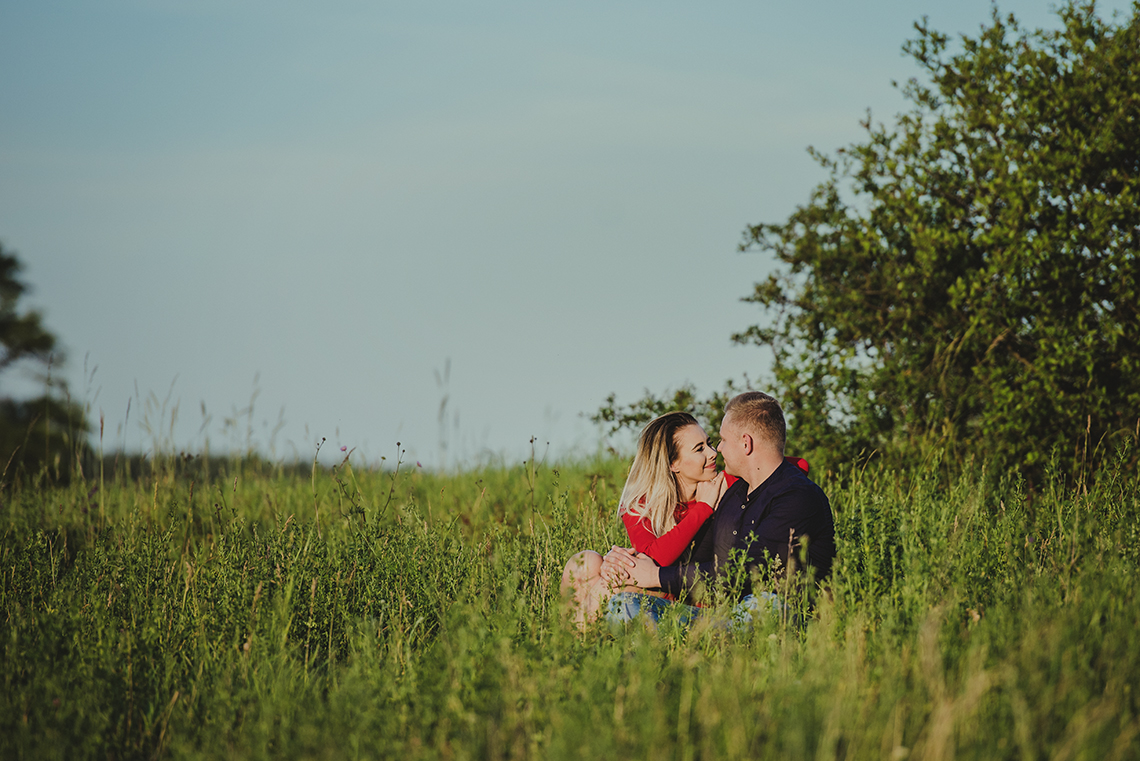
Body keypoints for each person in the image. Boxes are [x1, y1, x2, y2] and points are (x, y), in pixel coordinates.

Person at [601, 391, 835, 626]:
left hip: (775, 613)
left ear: (746, 443)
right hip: (722, 616)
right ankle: (681, 649)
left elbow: (743, 572)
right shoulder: (734, 494)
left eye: (721, 440)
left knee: (763, 606)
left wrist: (655, 576)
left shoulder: (797, 497)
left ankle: (693, 644)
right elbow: (693, 558)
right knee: (623, 605)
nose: (718, 450)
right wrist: (622, 561)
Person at [559, 412, 729, 628]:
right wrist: (703, 509)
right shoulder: (641, 504)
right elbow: (653, 558)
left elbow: (775, 467)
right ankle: (578, 640)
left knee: (616, 586)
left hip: (697, 597)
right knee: (584, 563)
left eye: (709, 444)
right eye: (700, 449)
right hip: (658, 584)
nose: (713, 453)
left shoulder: (725, 485)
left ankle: (572, 646)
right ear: (673, 463)